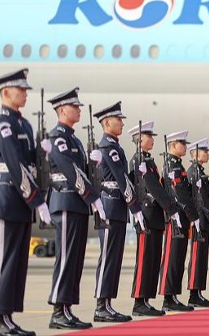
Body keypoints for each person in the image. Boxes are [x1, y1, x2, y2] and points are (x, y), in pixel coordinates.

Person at [0, 69, 51, 336]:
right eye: (21, 89)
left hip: (21, 201)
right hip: (8, 197)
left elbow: (27, 159)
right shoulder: (3, 123)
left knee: (17, 263)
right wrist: (37, 199)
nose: (25, 93)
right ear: (6, 92)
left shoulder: (24, 124)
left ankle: (7, 316)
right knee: (4, 259)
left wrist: (43, 151)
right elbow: (13, 164)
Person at [44, 88, 101, 329]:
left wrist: (94, 162)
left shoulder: (73, 138)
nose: (78, 109)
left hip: (76, 204)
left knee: (75, 259)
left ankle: (66, 308)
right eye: (74, 107)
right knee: (66, 256)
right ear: (61, 110)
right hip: (65, 201)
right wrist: (92, 196)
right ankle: (58, 311)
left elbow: (83, 170)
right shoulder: (58, 137)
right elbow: (69, 169)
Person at [92, 101, 142, 322]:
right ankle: (101, 305)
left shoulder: (116, 147)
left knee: (114, 258)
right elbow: (121, 181)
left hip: (117, 207)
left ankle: (107, 303)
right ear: (106, 123)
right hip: (110, 206)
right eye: (118, 119)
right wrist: (136, 208)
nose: (122, 123)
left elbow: (125, 178)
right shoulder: (108, 147)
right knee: (108, 257)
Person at [127, 121, 180, 316]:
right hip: (146, 216)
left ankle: (146, 300)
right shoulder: (138, 160)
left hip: (155, 216)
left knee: (153, 259)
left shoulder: (147, 161)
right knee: (144, 259)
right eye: (149, 137)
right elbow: (152, 187)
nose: (152, 140)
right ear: (140, 139)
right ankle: (139, 301)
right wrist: (170, 207)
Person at [159, 130, 202, 312]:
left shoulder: (179, 166)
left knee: (178, 258)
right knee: (172, 257)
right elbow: (181, 195)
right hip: (175, 217)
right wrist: (193, 216)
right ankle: (168, 297)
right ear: (172, 146)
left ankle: (173, 296)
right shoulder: (172, 166)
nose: (185, 147)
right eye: (182, 144)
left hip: (182, 217)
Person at [186, 138, 209, 308]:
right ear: (194, 154)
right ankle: (194, 293)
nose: (207, 154)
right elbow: (201, 200)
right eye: (204, 151)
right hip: (199, 220)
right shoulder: (194, 172)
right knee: (197, 257)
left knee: (201, 258)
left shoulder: (200, 172)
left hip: (204, 220)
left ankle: (198, 292)